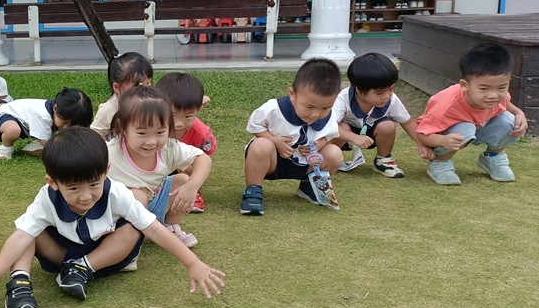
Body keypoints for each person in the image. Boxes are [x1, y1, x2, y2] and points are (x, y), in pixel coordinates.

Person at [0, 127, 224, 308]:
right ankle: (20, 283)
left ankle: (83, 268)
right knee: (28, 229)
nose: (86, 196)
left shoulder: (116, 192)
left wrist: (192, 263)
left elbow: (154, 229)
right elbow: (21, 236)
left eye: (94, 184)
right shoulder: (46, 198)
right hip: (61, 253)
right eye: (74, 188)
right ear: (53, 182)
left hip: (104, 255)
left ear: (106, 172)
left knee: (135, 227)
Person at [106, 87, 209, 252]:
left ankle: (170, 226)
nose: (151, 141)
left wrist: (192, 186)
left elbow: (203, 159)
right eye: (142, 133)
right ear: (122, 126)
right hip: (119, 213)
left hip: (153, 201)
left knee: (183, 181)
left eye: (160, 132)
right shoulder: (109, 152)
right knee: (137, 196)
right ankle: (129, 237)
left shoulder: (169, 148)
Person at [240, 58, 342, 215]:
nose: (316, 114)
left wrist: (320, 144)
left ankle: (309, 186)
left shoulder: (330, 116)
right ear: (292, 94)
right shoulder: (274, 109)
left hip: (306, 162)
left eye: (325, 108)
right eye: (309, 106)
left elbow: (329, 135)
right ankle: (253, 190)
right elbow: (255, 125)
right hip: (274, 161)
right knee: (261, 145)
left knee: (334, 153)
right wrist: (273, 140)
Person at [416, 43, 528, 185]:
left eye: (501, 87)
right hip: (448, 134)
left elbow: (506, 105)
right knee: (465, 129)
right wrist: (441, 141)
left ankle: (492, 156)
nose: (493, 95)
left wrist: (520, 114)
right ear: (465, 85)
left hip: (479, 126)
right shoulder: (446, 105)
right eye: (484, 88)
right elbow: (421, 133)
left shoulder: (500, 96)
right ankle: (440, 162)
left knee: (511, 121)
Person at [331, 53, 432, 178]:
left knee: (387, 125)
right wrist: (353, 137)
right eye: (379, 93)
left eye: (391, 89)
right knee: (341, 126)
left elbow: (408, 122)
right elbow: (330, 125)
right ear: (358, 90)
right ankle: (330, 159)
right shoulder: (343, 98)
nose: (387, 96)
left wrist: (422, 144)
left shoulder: (391, 99)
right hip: (344, 136)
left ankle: (383, 160)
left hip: (371, 135)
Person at [155, 72, 217, 212]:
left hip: (180, 167)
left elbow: (204, 159)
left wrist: (193, 185)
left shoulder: (200, 133)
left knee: (191, 166)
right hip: (155, 164)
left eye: (188, 116)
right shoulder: (152, 126)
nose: (179, 124)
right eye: (172, 115)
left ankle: (190, 192)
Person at [0, 88, 92, 161]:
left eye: (71, 124)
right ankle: (6, 148)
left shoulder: (62, 111)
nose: (66, 127)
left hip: (26, 119)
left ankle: (36, 142)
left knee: (46, 134)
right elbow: (46, 142)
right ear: (55, 108)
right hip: (9, 115)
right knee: (13, 131)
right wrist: (60, 155)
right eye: (65, 122)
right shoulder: (43, 116)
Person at [90, 52, 153, 139]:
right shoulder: (109, 110)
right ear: (117, 87)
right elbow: (96, 134)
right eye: (137, 87)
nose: (144, 90)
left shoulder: (152, 102)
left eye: (148, 83)